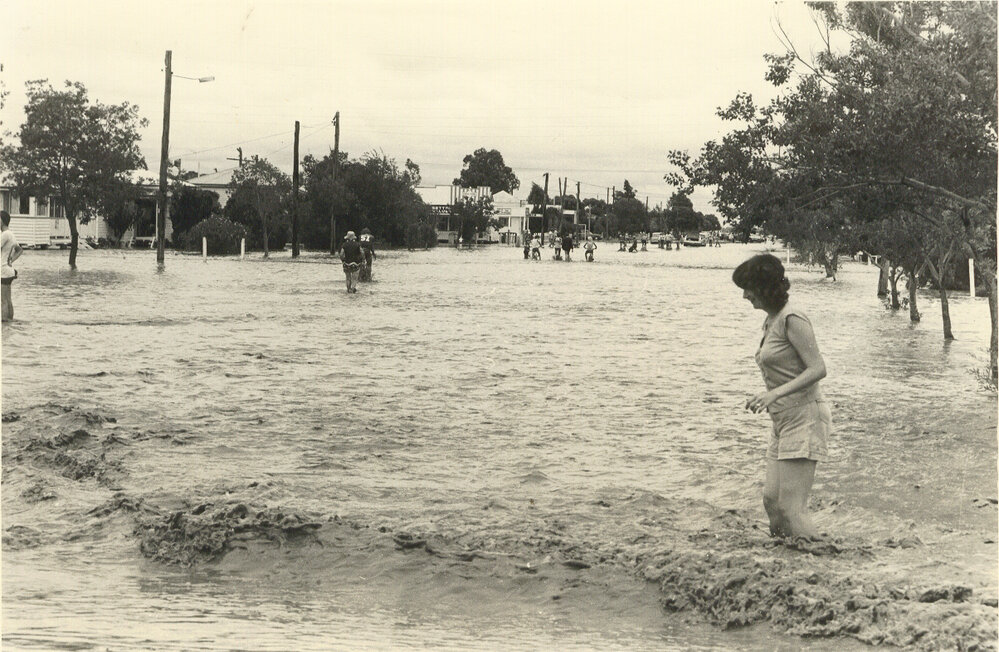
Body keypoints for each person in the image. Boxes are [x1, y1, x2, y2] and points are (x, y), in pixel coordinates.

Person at [734, 254, 829, 541]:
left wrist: (773, 393)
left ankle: (823, 563)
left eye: (748, 287)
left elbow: (818, 368)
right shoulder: (771, 320)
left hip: (806, 417)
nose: (744, 295)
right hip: (783, 421)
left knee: (791, 509)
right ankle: (784, 568)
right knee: (771, 503)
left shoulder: (792, 319)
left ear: (764, 287)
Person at [1, 211, 23, 321]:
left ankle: (5, 324)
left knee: (3, 300)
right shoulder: (11, 234)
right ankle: (10, 324)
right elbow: (19, 250)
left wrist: (9, 261)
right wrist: (11, 261)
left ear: (1, 221)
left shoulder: (4, 235)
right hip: (9, 269)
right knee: (8, 299)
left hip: (3, 270)